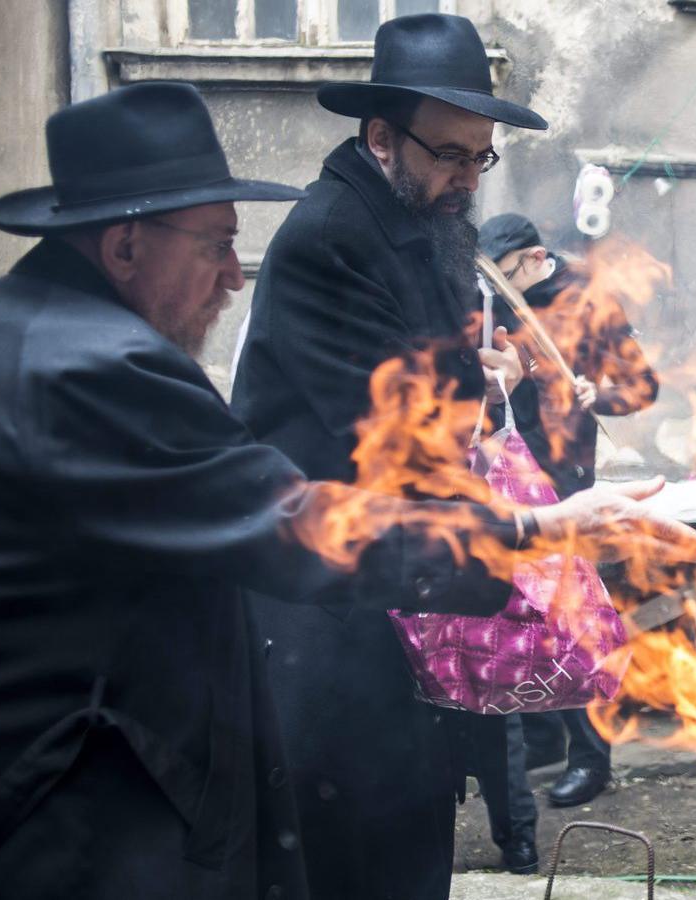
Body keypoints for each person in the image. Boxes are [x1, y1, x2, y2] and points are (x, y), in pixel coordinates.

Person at [0, 82, 696, 900]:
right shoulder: (100, 368)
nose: (233, 276)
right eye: (216, 245)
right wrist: (538, 528)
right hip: (52, 814)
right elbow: (298, 523)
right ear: (123, 248)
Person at [228, 13, 560, 888]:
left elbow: (426, 379)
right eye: (448, 154)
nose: (465, 179)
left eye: (479, 157)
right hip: (328, 615)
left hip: (394, 591)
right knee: (361, 860)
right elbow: (389, 432)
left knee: (411, 842)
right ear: (381, 136)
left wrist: (479, 379)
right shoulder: (335, 236)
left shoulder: (412, 214)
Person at [478, 213, 661, 808]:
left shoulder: (592, 298)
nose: (499, 292)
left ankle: (592, 757)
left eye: (506, 277)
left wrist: (597, 394)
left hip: (563, 473)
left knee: (570, 614)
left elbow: (642, 387)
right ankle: (541, 737)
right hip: (504, 461)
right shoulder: (495, 295)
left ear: (533, 259)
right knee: (515, 608)